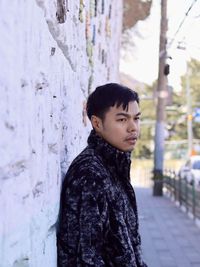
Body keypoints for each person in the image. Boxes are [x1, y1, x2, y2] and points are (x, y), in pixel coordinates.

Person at [57, 83, 147, 267]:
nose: (133, 128)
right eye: (122, 120)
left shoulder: (113, 165)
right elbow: (86, 259)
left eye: (136, 118)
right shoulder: (90, 174)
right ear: (97, 123)